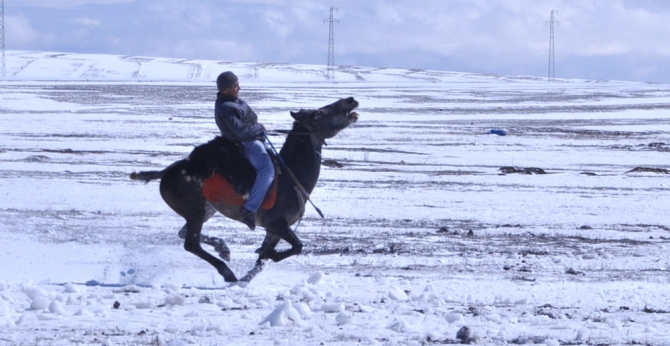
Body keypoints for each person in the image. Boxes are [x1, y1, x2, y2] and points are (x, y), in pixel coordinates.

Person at [214, 71, 275, 230]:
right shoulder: (226, 107)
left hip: (254, 139)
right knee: (267, 171)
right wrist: (259, 128)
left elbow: (251, 119)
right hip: (246, 144)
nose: (239, 88)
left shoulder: (235, 101)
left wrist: (256, 127)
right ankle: (249, 210)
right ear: (226, 89)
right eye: (236, 86)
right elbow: (241, 132)